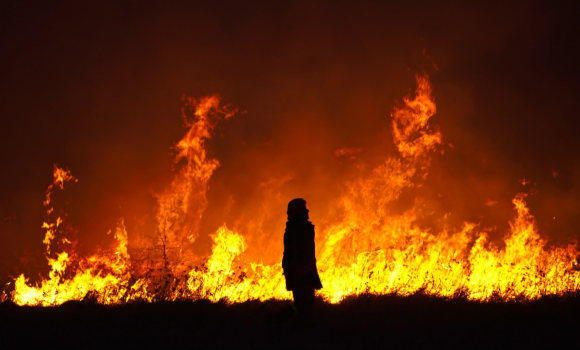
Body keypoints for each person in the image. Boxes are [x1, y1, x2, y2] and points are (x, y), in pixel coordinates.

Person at [282, 198, 323, 315]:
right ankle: (281, 319)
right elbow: (299, 254)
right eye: (304, 208)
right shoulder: (298, 229)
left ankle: (287, 318)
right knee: (304, 307)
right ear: (297, 210)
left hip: (302, 274)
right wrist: (308, 275)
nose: (307, 210)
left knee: (303, 306)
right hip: (302, 276)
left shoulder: (297, 228)